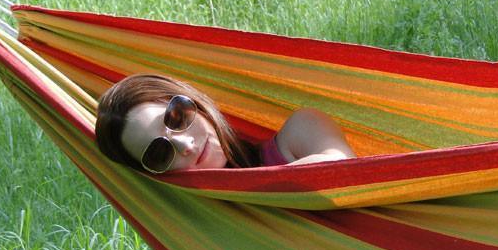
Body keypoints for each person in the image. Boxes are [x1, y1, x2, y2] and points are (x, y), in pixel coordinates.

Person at [95, 74, 354, 172]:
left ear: (194, 102)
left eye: (176, 117)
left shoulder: (301, 129)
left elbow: (345, 172)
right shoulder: (210, 236)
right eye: (159, 153)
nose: (185, 145)